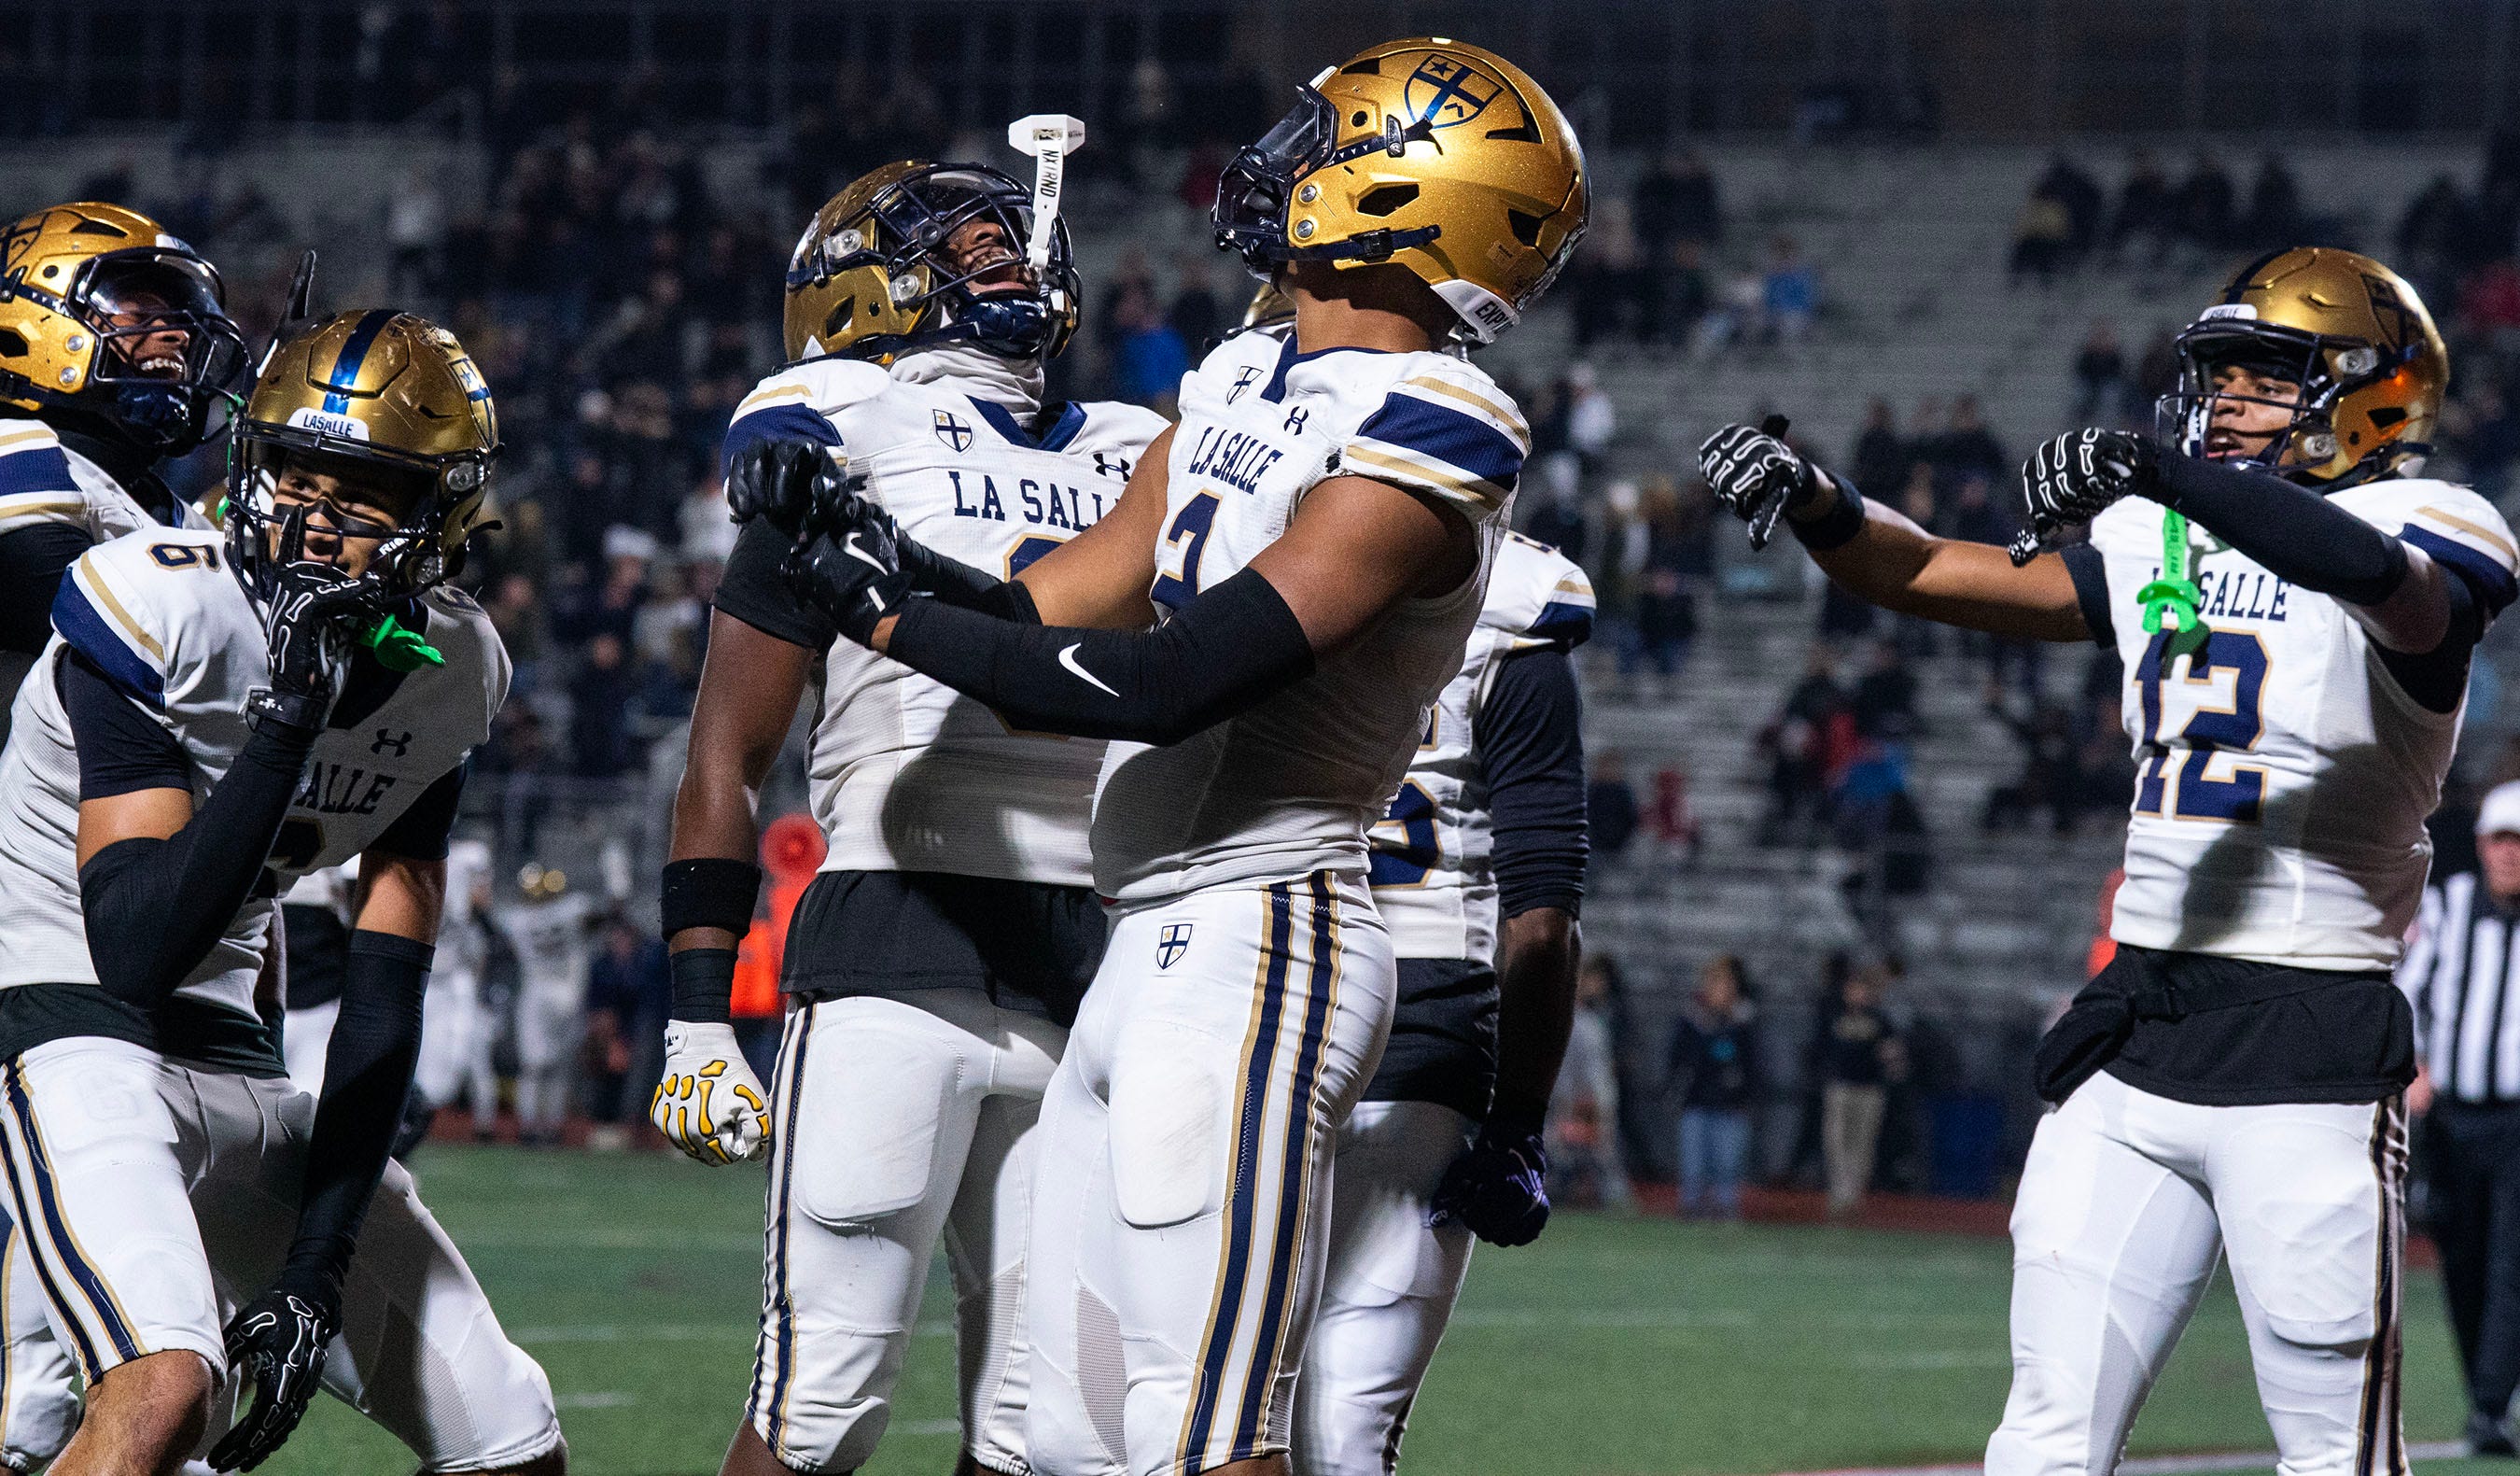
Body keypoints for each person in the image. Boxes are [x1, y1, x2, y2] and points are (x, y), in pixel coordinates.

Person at [754, 38, 1584, 1476]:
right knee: (1067, 1446)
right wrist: (872, 551)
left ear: (1402, 196)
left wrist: (877, 606)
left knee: (1209, 1441)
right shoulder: (1251, 366)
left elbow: (1167, 682)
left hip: (1265, 940)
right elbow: (1051, 611)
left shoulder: (1438, 427)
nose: (1285, 157)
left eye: (1328, 141)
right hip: (1141, 945)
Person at [1701, 246, 2511, 1476]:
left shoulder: (2429, 516)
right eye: (2220, 377)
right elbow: (1925, 569)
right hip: (2136, 1026)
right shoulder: (2160, 528)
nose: (2227, 401)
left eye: (2269, 376)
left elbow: (2396, 593)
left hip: (2308, 1033)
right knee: (2043, 1440)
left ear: (2370, 391)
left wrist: (2169, 471)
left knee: (2337, 1457)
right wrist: (1822, 500)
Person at [651, 155, 1166, 1476]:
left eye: (1008, 232)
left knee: (1051, 1431)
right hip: (895, 935)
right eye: (962, 237)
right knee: (822, 1402)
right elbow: (728, 754)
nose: (999, 248)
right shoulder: (848, 415)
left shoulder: (1136, 446)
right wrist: (698, 1012)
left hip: (1090, 960)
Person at [0, 309, 562, 1473]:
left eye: (362, 492)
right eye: (295, 474)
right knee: (162, 1393)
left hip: (232, 1054)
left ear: (437, 519)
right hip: (64, 1022)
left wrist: (315, 1270)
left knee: (508, 1433)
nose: (313, 519)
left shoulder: (453, 668)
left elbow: (384, 986)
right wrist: (288, 715)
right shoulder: (157, 597)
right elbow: (136, 946)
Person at [0, 201, 245, 1472]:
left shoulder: (142, 495)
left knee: (79, 1377)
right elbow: (61, 612)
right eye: (130, 304)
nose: (168, 334)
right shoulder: (22, 446)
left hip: (95, 945)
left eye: (178, 311)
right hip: (32, 937)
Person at [1295, 533, 1591, 1476]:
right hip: (1420, 1009)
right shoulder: (1512, 603)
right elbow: (1541, 927)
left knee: (1194, 1411)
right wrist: (1517, 1127)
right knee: (1342, 1436)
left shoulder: (1257, 552)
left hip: (1261, 982)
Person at [2399, 780, 2520, 1455]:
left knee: (2512, 1263)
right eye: (2503, 839)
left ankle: (2490, 1403)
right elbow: (2406, 991)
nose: (2512, 855)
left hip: (2519, 1124)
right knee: (2462, 1258)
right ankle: (2487, 1396)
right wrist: (2414, 1064)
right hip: (2451, 1120)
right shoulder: (2447, 908)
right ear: (2481, 845)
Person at [497, 861, 596, 1147]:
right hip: (568, 993)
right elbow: (596, 918)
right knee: (557, 1068)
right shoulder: (572, 909)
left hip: (537, 993)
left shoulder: (516, 919)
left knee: (534, 1066)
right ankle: (550, 1127)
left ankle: (530, 1127)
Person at [1669, 955, 1759, 1219]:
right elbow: (1678, 1060)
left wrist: (1749, 1097)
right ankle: (1692, 1205)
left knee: (1728, 1163)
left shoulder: (1743, 1022)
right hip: (1696, 1099)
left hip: (1731, 1102)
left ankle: (1725, 1206)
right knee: (1694, 1162)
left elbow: (1753, 1064)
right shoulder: (1692, 1020)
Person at [1813, 962, 1902, 1217]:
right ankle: (1840, 1193)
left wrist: (1891, 1068)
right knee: (1836, 1141)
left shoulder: (1879, 1019)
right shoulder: (1834, 1016)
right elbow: (1822, 1049)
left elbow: (1892, 1052)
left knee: (1862, 1143)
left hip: (1869, 1089)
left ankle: (1853, 1194)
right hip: (1841, 1087)